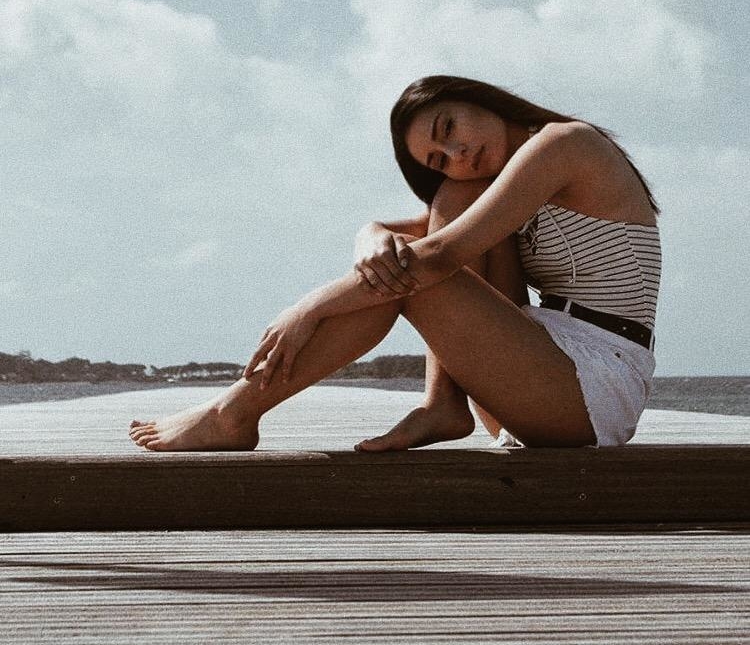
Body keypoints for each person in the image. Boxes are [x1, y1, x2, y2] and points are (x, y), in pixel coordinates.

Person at [129, 75, 660, 452]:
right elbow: (420, 236)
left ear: (478, 98)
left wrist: (308, 308)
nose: (457, 153)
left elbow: (438, 255)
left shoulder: (566, 143)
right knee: (449, 204)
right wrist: (371, 230)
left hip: (595, 385)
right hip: (541, 371)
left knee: (416, 270)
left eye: (450, 127)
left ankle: (233, 413)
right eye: (438, 158)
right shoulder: (483, 180)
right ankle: (442, 405)